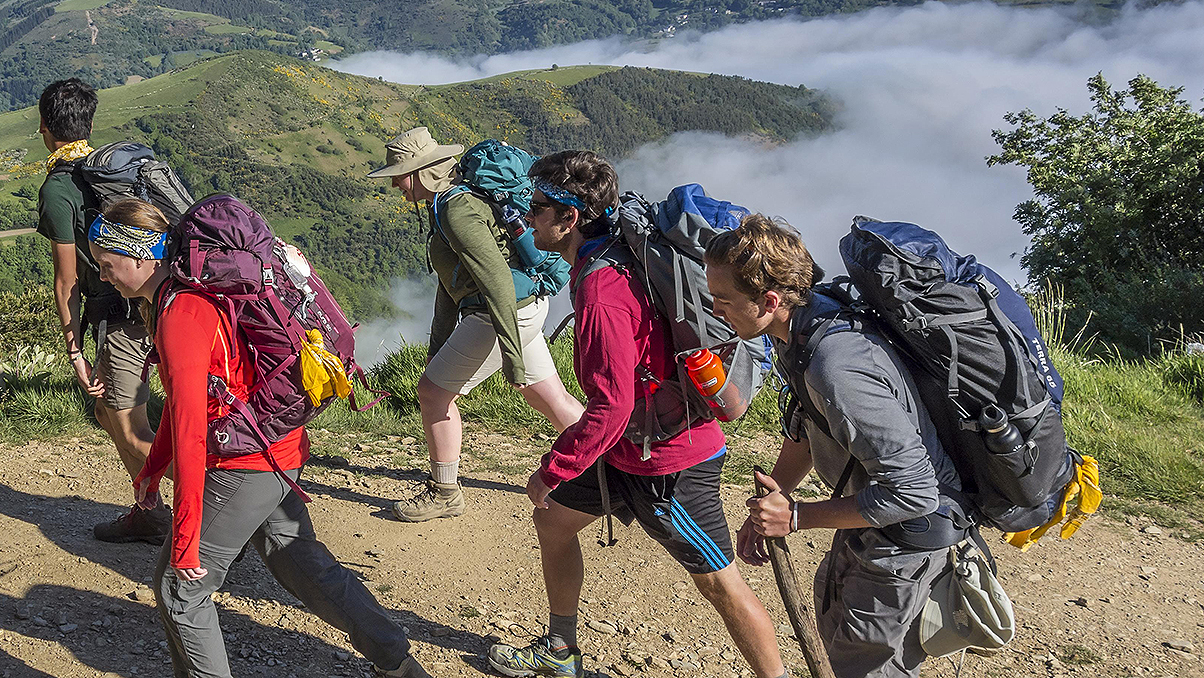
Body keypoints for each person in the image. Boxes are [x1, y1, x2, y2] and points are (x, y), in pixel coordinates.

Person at [88, 198, 433, 678]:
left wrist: (186, 539)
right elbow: (187, 407)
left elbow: (190, 431)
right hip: (278, 447)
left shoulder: (181, 312)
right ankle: (397, 662)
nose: (103, 278)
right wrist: (150, 470)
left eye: (108, 265)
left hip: (243, 464)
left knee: (179, 591)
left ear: (141, 254)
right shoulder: (188, 293)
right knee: (302, 565)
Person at [487, 151, 788, 678]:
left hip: (671, 464)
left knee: (720, 582)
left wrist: (553, 467)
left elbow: (611, 405)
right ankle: (560, 653)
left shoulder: (603, 288)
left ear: (569, 217)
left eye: (537, 207)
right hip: (630, 445)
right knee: (554, 521)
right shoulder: (608, 256)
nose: (526, 217)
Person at [702, 215, 973, 678]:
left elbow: (913, 492)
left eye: (724, 300)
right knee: (837, 631)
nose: (715, 309)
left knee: (863, 665)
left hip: (907, 533)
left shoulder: (837, 367)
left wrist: (798, 517)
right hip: (867, 515)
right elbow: (809, 428)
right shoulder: (802, 329)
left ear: (769, 300)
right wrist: (775, 499)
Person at [368, 128, 584, 522]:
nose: (396, 183)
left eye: (399, 174)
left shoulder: (457, 209)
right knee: (549, 398)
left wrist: (512, 358)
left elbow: (496, 280)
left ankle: (444, 492)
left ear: (420, 172)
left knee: (433, 393)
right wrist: (438, 345)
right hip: (522, 306)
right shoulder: (451, 201)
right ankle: (615, 468)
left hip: (501, 312)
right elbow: (449, 283)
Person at [35, 78, 169, 545]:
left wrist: (75, 353)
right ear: (88, 123)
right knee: (105, 410)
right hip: (156, 299)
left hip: (119, 314)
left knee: (129, 427)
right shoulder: (116, 170)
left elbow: (67, 280)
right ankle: (149, 508)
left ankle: (224, 501)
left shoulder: (58, 188)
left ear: (46, 129)